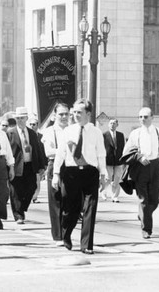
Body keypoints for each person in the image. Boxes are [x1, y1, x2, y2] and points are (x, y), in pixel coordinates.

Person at [52, 98, 107, 254]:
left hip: (90, 172)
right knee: (70, 209)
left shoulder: (96, 132)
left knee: (90, 208)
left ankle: (86, 245)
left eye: (79, 112)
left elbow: (101, 154)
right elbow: (60, 154)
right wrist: (56, 174)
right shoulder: (68, 131)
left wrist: (103, 175)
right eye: (74, 112)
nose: (75, 115)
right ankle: (66, 234)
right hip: (71, 173)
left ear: (88, 114)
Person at [123, 108, 159, 239]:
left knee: (155, 200)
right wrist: (139, 157)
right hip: (140, 167)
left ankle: (143, 213)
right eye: (140, 117)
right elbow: (126, 152)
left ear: (152, 117)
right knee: (143, 199)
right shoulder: (135, 133)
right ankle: (146, 229)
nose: (143, 119)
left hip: (155, 166)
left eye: (146, 117)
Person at [6, 107, 46, 224]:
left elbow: (38, 150)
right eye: (17, 118)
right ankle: (18, 215)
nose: (20, 120)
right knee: (15, 191)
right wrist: (8, 167)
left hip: (29, 165)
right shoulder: (10, 133)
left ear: (26, 118)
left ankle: (22, 207)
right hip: (16, 165)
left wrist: (41, 166)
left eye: (22, 118)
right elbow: (7, 151)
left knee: (32, 187)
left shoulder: (32, 133)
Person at [41, 103, 70, 245]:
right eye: (61, 114)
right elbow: (49, 152)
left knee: (70, 201)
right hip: (54, 166)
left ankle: (67, 233)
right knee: (56, 201)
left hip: (71, 166)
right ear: (54, 116)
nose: (64, 117)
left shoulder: (73, 130)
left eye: (66, 114)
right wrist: (65, 151)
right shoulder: (49, 131)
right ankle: (58, 236)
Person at [100, 118, 126, 203]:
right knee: (108, 178)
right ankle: (104, 192)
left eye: (114, 123)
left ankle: (115, 196)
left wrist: (124, 158)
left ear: (117, 125)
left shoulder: (121, 135)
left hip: (118, 160)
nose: (112, 125)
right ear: (108, 125)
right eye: (111, 123)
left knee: (117, 178)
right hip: (108, 160)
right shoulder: (104, 135)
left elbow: (123, 147)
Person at [29, 115, 46, 203]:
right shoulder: (26, 136)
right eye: (30, 124)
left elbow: (43, 151)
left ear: (37, 125)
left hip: (38, 163)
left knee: (37, 182)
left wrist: (44, 165)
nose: (32, 126)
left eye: (34, 124)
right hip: (29, 163)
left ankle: (35, 197)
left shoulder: (41, 137)